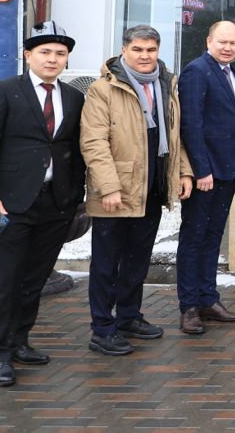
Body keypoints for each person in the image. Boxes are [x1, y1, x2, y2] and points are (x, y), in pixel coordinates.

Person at [0, 21, 86, 387]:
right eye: (45, 52)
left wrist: (76, 196)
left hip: (57, 202)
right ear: (27, 55)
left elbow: (74, 150)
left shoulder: (73, 97)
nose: (52, 59)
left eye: (60, 53)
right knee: (6, 279)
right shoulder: (4, 91)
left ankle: (19, 340)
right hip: (11, 202)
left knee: (35, 278)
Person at [80, 24, 193, 357]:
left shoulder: (165, 83)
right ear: (124, 50)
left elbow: (175, 134)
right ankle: (102, 328)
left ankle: (129, 316)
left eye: (151, 50)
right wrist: (108, 187)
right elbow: (94, 142)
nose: (145, 56)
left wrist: (183, 172)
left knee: (137, 259)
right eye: (138, 50)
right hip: (116, 190)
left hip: (152, 186)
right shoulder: (104, 89)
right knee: (106, 264)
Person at [175, 21, 235, 336]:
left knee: (213, 236)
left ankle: (208, 298)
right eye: (222, 42)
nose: (228, 47)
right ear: (208, 41)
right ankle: (189, 306)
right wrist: (201, 170)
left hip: (227, 171)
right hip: (207, 173)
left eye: (233, 43)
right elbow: (191, 124)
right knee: (194, 238)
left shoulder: (231, 73)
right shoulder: (197, 71)